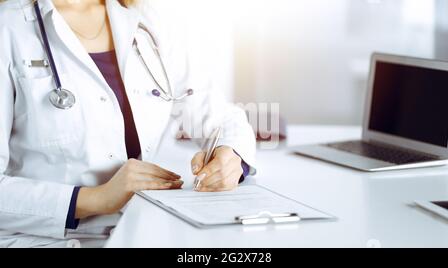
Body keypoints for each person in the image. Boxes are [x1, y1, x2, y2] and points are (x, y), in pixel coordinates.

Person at [0, 0, 256, 247]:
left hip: (140, 228)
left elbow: (221, 117)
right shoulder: (9, 27)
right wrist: (96, 199)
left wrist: (231, 157)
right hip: (47, 239)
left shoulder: (147, 18)